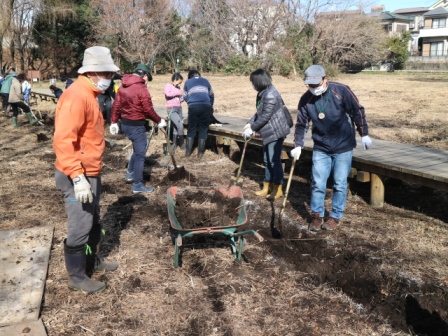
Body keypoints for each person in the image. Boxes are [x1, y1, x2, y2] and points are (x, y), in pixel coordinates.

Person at [53, 46, 120, 293]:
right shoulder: (76, 96)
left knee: (93, 221)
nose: (109, 79)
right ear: (90, 72)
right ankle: (77, 277)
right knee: (80, 225)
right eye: (105, 74)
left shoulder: (89, 94)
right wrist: (77, 176)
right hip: (77, 174)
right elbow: (63, 140)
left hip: (91, 170)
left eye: (111, 74)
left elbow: (85, 133)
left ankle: (93, 261)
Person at [291, 64, 372, 231]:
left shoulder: (341, 91)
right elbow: (301, 124)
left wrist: (364, 133)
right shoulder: (306, 99)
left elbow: (357, 110)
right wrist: (298, 144)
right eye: (310, 85)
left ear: (324, 79)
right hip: (321, 146)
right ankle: (316, 216)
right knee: (318, 183)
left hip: (343, 145)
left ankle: (335, 216)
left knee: (340, 183)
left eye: (316, 84)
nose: (313, 88)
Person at [110, 63, 166, 193]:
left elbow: (116, 105)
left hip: (125, 124)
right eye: (147, 78)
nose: (147, 81)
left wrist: (114, 121)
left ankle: (130, 173)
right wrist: (159, 121)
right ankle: (137, 185)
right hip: (136, 125)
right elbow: (148, 110)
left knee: (137, 148)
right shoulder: (142, 89)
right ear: (144, 75)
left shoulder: (123, 86)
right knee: (141, 153)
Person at [242, 68, 291, 200]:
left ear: (259, 81)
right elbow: (259, 112)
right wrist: (249, 123)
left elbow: (265, 116)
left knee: (274, 160)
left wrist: (252, 128)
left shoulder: (270, 94)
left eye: (253, 82)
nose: (252, 85)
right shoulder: (264, 92)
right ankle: (267, 186)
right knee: (266, 160)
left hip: (275, 131)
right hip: (268, 131)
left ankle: (278, 187)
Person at [183, 69, 214, 158]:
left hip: (193, 107)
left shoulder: (187, 82)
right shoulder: (206, 81)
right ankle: (200, 153)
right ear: (198, 75)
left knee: (191, 128)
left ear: (190, 75)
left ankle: (188, 153)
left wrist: (190, 102)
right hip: (206, 106)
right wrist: (210, 105)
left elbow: (185, 96)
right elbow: (211, 95)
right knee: (203, 128)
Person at [164, 72, 185, 151]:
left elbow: (182, 97)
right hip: (171, 109)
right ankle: (182, 143)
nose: (180, 84)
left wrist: (181, 98)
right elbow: (168, 94)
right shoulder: (168, 85)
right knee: (180, 125)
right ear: (175, 80)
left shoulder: (178, 88)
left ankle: (175, 143)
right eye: (179, 82)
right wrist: (178, 93)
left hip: (179, 108)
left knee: (176, 127)